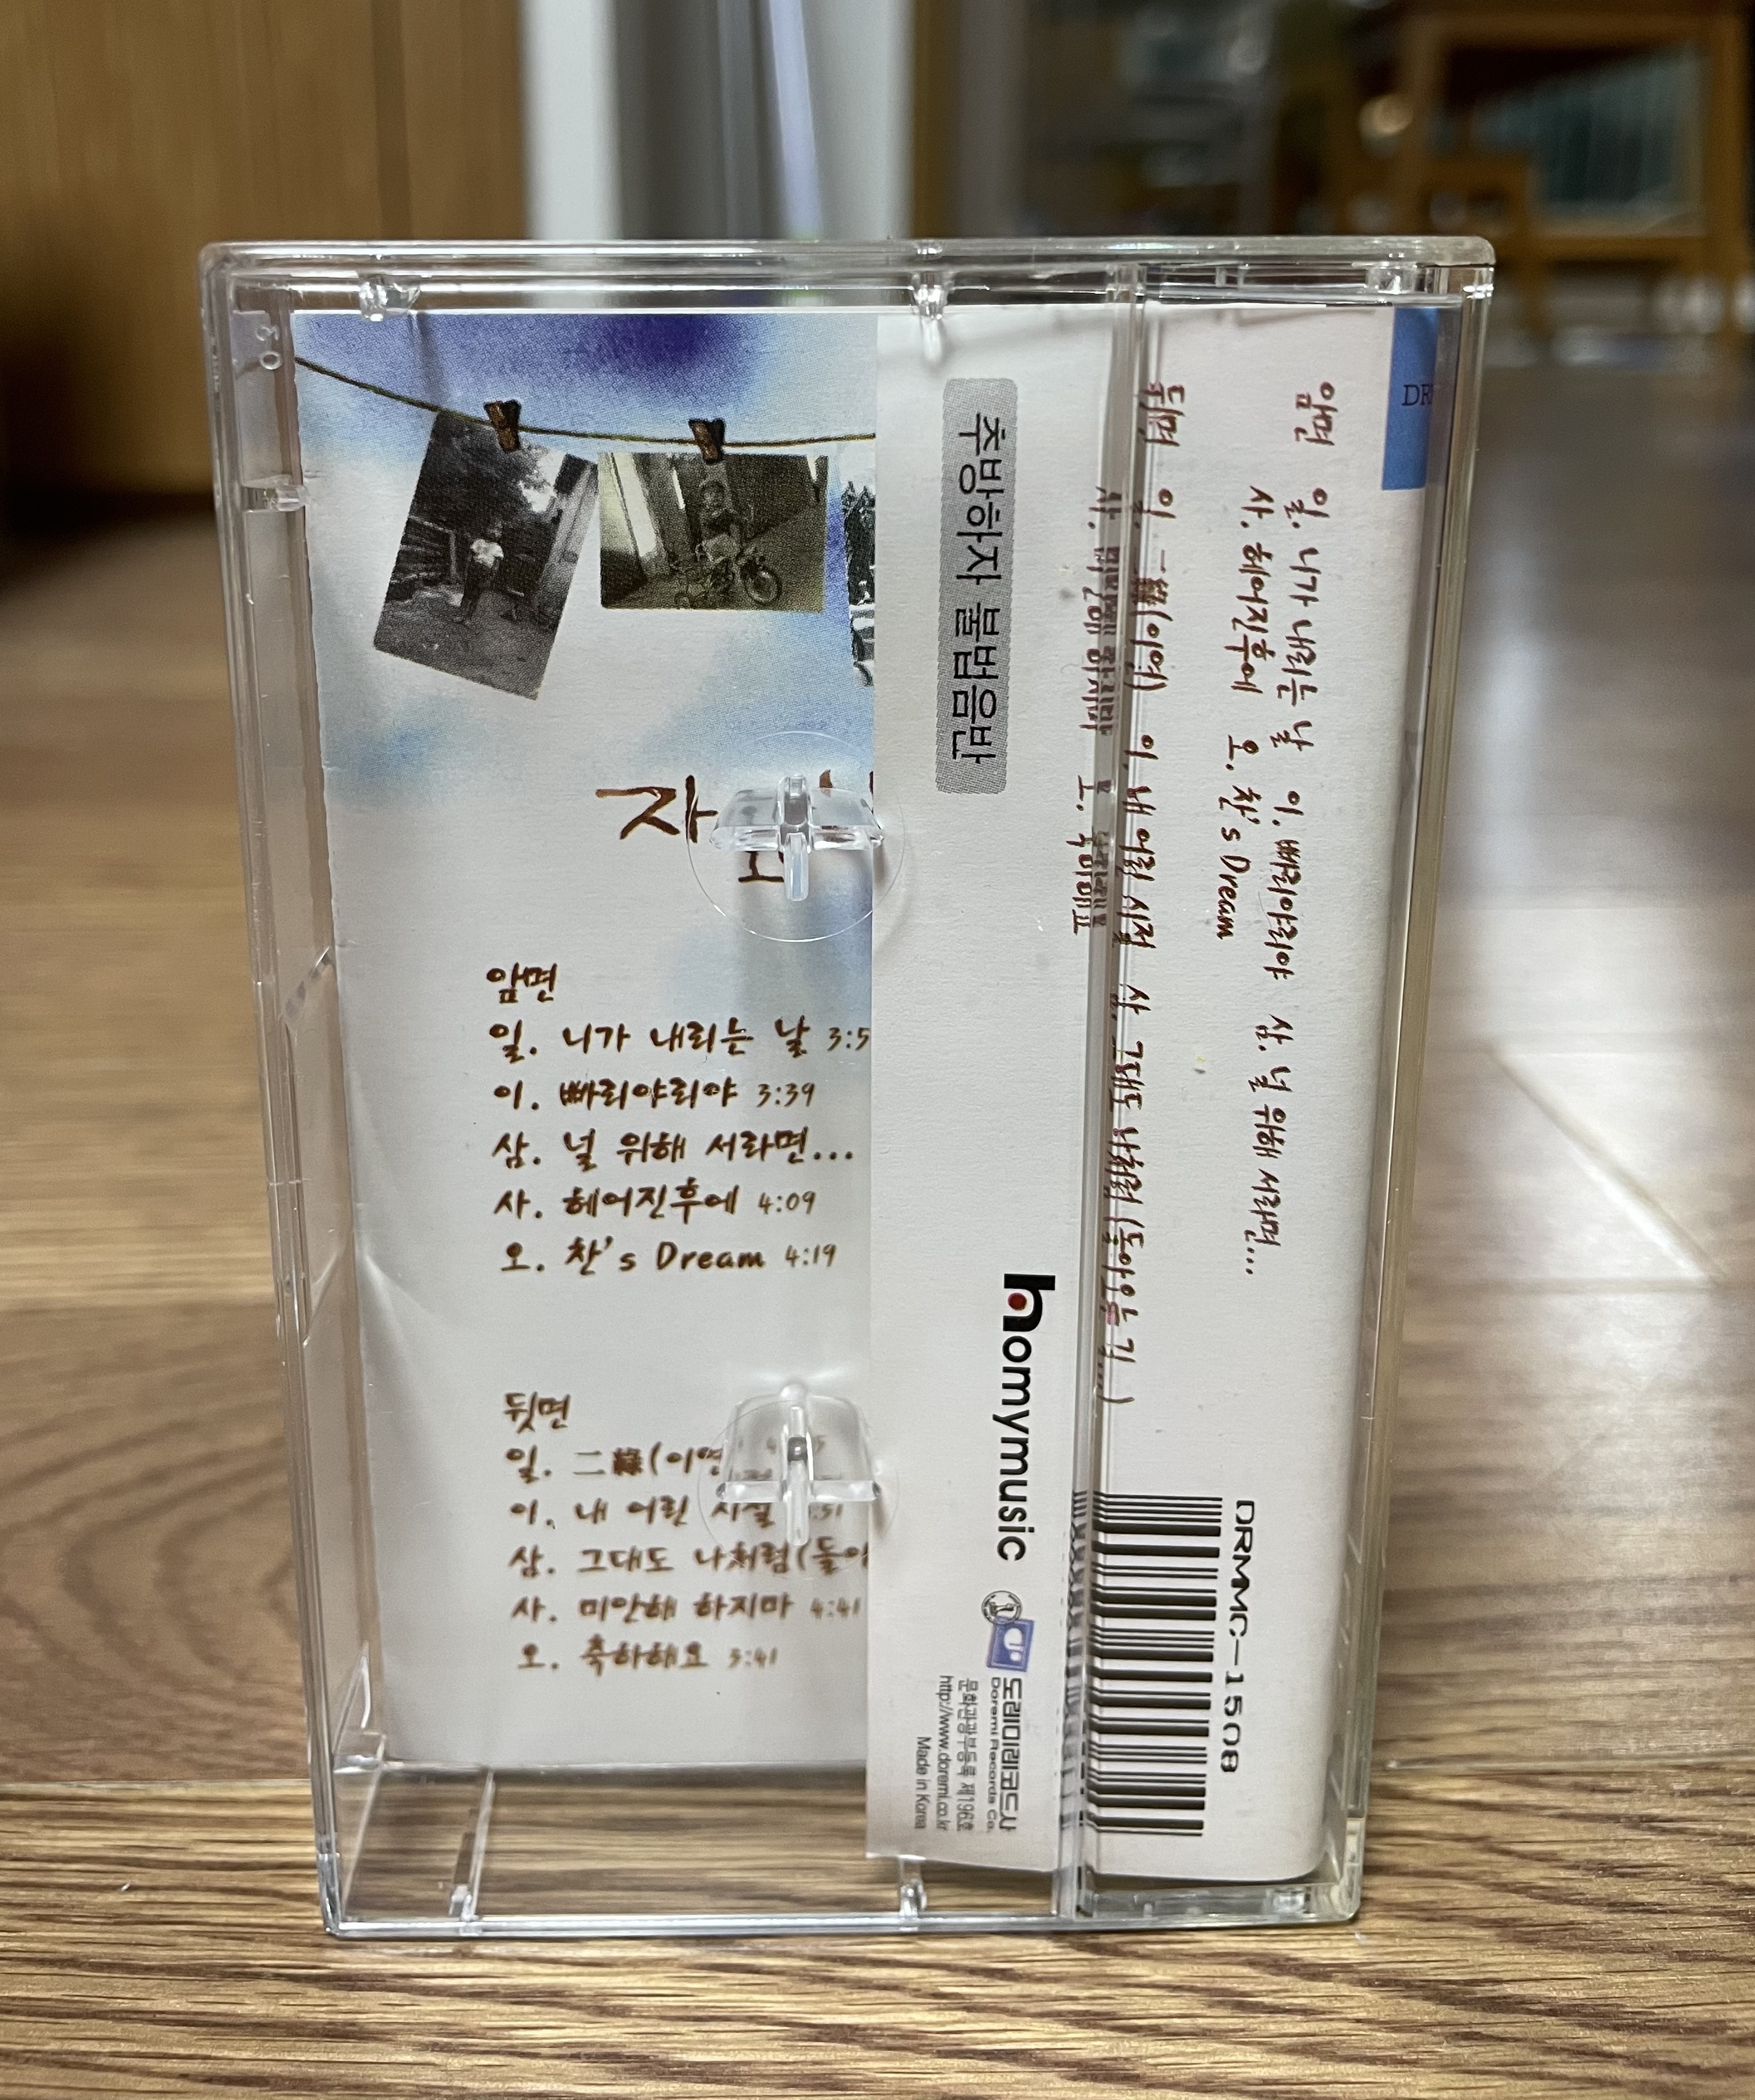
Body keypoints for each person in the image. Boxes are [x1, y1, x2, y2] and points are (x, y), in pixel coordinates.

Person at [458, 532, 503, 623]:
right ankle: (460, 615)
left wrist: (491, 578)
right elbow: (470, 558)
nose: (494, 533)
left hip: (485, 572)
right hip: (474, 569)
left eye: (497, 531)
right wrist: (467, 570)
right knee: (467, 594)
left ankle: (468, 618)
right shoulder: (479, 542)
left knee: (476, 596)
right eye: (492, 529)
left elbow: (496, 565)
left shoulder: (497, 548)